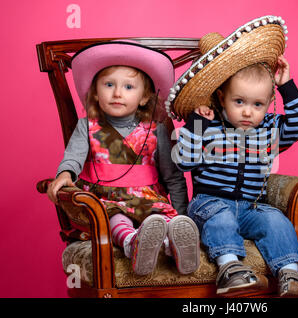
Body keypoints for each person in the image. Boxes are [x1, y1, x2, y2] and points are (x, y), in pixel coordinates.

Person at [166, 16, 298, 297]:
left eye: (257, 104)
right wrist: (199, 126)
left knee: (275, 219)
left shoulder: (268, 128)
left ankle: (290, 274)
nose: (248, 112)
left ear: (269, 103)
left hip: (249, 207)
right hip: (209, 205)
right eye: (239, 102)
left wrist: (287, 86)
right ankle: (230, 268)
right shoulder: (207, 126)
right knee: (221, 218)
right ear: (221, 98)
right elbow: (182, 160)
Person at [46, 40, 200, 276]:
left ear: (145, 98)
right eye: (109, 85)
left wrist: (181, 214)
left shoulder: (155, 129)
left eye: (128, 87)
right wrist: (65, 174)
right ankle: (132, 243)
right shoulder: (87, 126)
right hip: (105, 199)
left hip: (147, 198)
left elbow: (173, 177)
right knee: (115, 218)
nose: (117, 93)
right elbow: (73, 157)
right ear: (96, 93)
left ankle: (175, 246)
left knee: (160, 216)